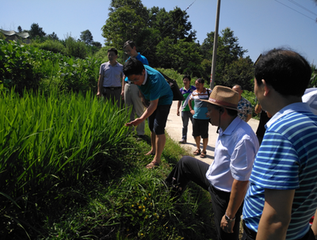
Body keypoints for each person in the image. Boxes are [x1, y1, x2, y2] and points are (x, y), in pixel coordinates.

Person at [166, 85, 259, 240]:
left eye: (210, 110)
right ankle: (169, 201)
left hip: (226, 195)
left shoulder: (243, 138)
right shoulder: (226, 125)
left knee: (226, 235)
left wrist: (229, 216)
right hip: (213, 178)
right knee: (185, 163)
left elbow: (242, 182)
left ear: (222, 111)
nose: (207, 113)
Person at [242, 49, 317, 240]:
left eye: (255, 83)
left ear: (264, 86)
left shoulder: (282, 131)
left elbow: (276, 220)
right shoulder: (311, 123)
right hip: (300, 232)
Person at [123, 58, 173, 169]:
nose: (135, 83)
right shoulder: (134, 74)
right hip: (151, 97)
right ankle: (153, 149)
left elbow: (154, 105)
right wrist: (142, 96)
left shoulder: (154, 79)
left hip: (164, 99)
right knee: (151, 126)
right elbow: (139, 84)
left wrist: (140, 119)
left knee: (158, 128)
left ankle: (157, 160)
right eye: (132, 81)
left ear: (143, 72)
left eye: (136, 79)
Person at [122, 40, 149, 138]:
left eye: (129, 50)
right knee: (128, 110)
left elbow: (145, 74)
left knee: (139, 109)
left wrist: (142, 90)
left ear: (134, 48)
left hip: (137, 86)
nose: (128, 53)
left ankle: (140, 133)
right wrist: (123, 89)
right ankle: (130, 132)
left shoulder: (142, 59)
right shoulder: (127, 60)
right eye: (126, 51)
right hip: (127, 85)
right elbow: (124, 75)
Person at [188, 78, 210, 158]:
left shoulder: (209, 92)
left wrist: (210, 112)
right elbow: (189, 100)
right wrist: (191, 109)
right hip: (195, 117)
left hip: (205, 118)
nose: (196, 86)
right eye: (196, 84)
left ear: (203, 84)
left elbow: (214, 102)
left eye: (198, 84)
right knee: (196, 134)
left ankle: (204, 150)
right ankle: (198, 149)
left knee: (204, 135)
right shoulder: (194, 93)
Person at [176, 75, 196, 144]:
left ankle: (196, 137)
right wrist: (177, 109)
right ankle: (184, 138)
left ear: (189, 81)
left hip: (192, 110)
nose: (185, 81)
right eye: (184, 80)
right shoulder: (181, 90)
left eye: (186, 80)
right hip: (184, 110)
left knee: (195, 124)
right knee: (184, 125)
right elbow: (179, 100)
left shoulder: (193, 89)